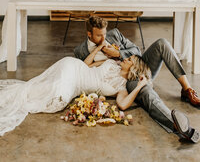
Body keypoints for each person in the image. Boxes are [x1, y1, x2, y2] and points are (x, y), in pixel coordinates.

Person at [0, 55, 199, 142]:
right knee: (51, 92)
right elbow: (86, 65)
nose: (125, 59)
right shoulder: (111, 63)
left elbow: (122, 105)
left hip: (75, 86)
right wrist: (98, 50)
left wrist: (139, 86)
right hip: (72, 68)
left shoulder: (122, 87)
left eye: (129, 60)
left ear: (134, 68)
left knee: (53, 99)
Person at [74, 16, 200, 139]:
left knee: (162, 43)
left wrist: (118, 53)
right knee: (146, 92)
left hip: (139, 64)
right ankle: (177, 125)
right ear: (89, 34)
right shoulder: (80, 51)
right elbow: (85, 70)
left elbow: (137, 51)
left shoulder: (115, 35)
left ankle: (187, 90)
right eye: (99, 35)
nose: (104, 38)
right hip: (127, 78)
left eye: (104, 34)